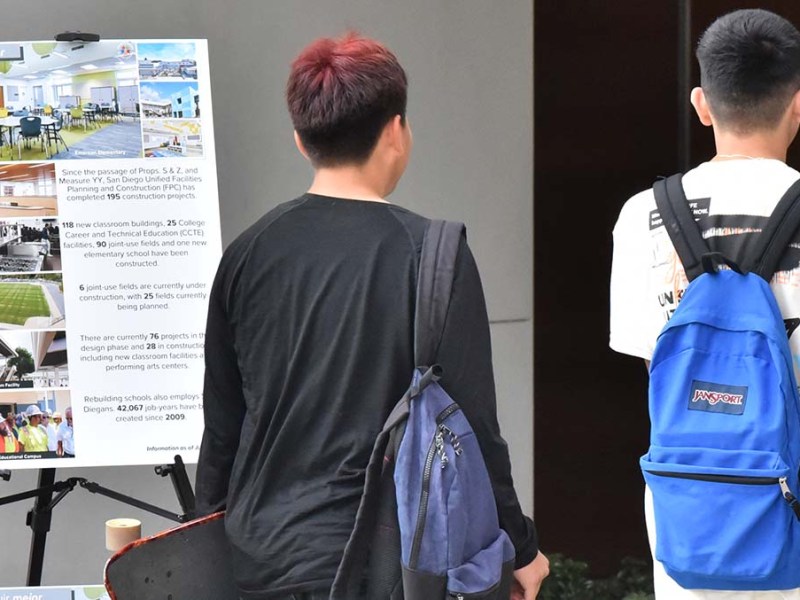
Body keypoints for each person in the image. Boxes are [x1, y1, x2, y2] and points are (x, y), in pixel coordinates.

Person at [195, 33, 548, 600]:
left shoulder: (245, 254)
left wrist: (204, 546)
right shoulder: (435, 255)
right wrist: (520, 546)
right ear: (395, 130)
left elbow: (223, 431)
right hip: (386, 559)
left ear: (299, 139)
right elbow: (475, 426)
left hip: (260, 557)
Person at [610, 9, 800, 599]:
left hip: (689, 508)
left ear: (701, 103)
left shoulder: (642, 214)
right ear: (798, 104)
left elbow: (659, 368)